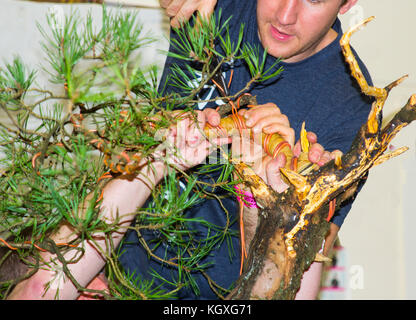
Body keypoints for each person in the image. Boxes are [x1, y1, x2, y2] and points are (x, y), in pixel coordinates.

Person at [8, 0, 372, 300]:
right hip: (111, 250)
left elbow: (294, 275)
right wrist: (96, 268)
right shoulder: (221, 8)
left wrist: (272, 197)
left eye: (313, 0)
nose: (285, 15)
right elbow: (138, 152)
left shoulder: (351, 101)